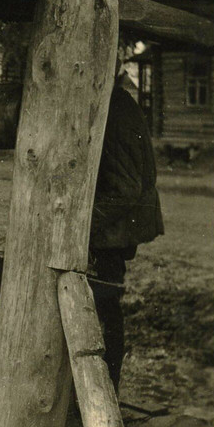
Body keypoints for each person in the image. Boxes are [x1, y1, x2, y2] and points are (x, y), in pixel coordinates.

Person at [90, 68, 165, 393]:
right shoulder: (115, 102)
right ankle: (103, 390)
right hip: (114, 228)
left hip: (113, 231)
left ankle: (106, 393)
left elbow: (125, 189)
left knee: (105, 308)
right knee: (103, 306)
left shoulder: (115, 111)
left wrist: (81, 225)